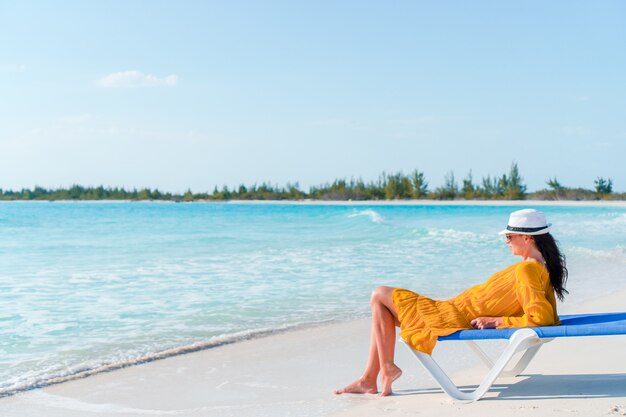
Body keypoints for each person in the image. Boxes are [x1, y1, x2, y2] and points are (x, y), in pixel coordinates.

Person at [334, 209, 568, 397]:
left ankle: (379, 373)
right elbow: (542, 312)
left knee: (379, 294)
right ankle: (372, 377)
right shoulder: (534, 267)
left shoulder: (528, 270)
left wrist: (499, 321)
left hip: (454, 315)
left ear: (527, 238)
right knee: (381, 307)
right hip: (453, 308)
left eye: (509, 236)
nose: (506, 241)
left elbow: (542, 318)